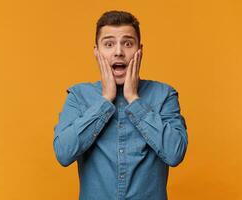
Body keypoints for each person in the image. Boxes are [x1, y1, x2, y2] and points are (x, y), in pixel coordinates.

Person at [53, 10, 188, 200]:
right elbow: (63, 153)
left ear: (139, 50)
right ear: (96, 51)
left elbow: (175, 154)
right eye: (109, 44)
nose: (118, 52)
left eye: (128, 43)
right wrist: (105, 101)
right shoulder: (78, 96)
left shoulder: (164, 95)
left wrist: (134, 99)